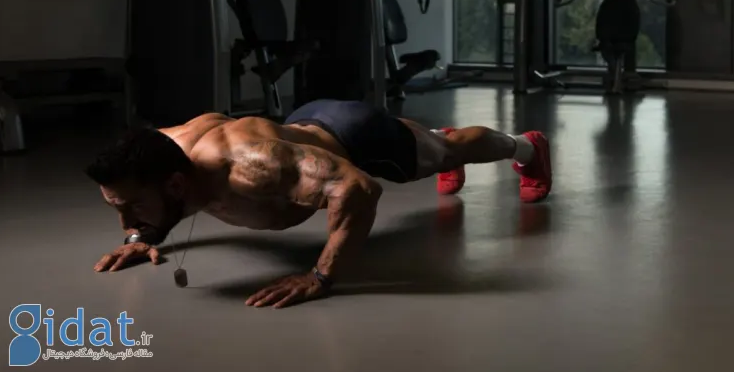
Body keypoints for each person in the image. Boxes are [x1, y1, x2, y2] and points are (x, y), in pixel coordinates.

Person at [87, 99, 551, 308]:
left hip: (355, 134)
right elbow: (135, 199)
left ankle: (527, 147)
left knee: (445, 150)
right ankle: (427, 141)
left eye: (134, 210)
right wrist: (140, 235)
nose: (127, 221)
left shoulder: (251, 168)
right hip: (301, 131)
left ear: (174, 185)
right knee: (425, 145)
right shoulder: (159, 154)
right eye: (120, 210)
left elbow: (358, 189)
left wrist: (321, 276)